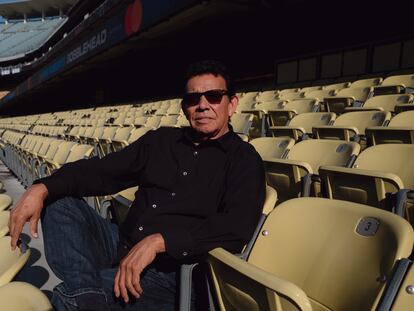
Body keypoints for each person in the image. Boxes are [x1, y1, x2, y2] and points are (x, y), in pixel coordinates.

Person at [8, 60, 265, 310]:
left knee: (65, 300)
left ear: (231, 104)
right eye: (193, 99)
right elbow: (101, 171)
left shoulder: (244, 159)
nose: (202, 105)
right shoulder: (160, 142)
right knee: (58, 198)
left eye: (214, 96)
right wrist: (40, 187)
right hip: (121, 243)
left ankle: (83, 297)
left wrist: (160, 241)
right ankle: (88, 297)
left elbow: (237, 225)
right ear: (184, 107)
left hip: (172, 274)